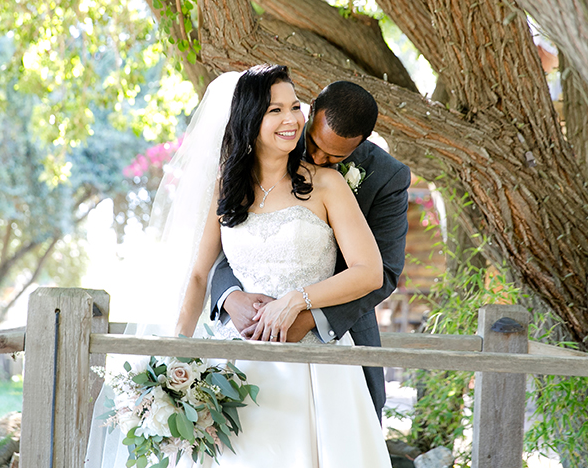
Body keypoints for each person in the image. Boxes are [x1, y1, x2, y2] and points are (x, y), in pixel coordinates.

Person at [88, 65, 392, 467]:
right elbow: (199, 275)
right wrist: (174, 357)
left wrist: (295, 302)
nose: (291, 120)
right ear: (250, 119)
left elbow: (369, 272)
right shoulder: (227, 187)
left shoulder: (326, 184)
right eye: (275, 110)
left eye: (295, 107)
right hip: (234, 365)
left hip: (316, 366)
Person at [210, 80, 410, 419]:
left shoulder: (387, 177)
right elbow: (237, 238)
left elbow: (384, 272)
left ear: (363, 141)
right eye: (315, 144)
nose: (317, 158)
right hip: (247, 331)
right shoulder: (271, 146)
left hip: (335, 335)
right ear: (311, 110)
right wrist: (229, 296)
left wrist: (310, 318)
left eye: (336, 156)